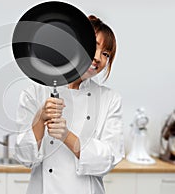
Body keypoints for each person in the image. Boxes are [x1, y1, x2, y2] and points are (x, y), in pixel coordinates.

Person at [14, 15, 124, 194]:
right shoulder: (34, 93)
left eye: (106, 54)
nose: (98, 58)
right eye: (94, 46)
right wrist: (40, 119)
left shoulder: (110, 99)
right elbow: (24, 157)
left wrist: (66, 136)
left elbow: (108, 160)